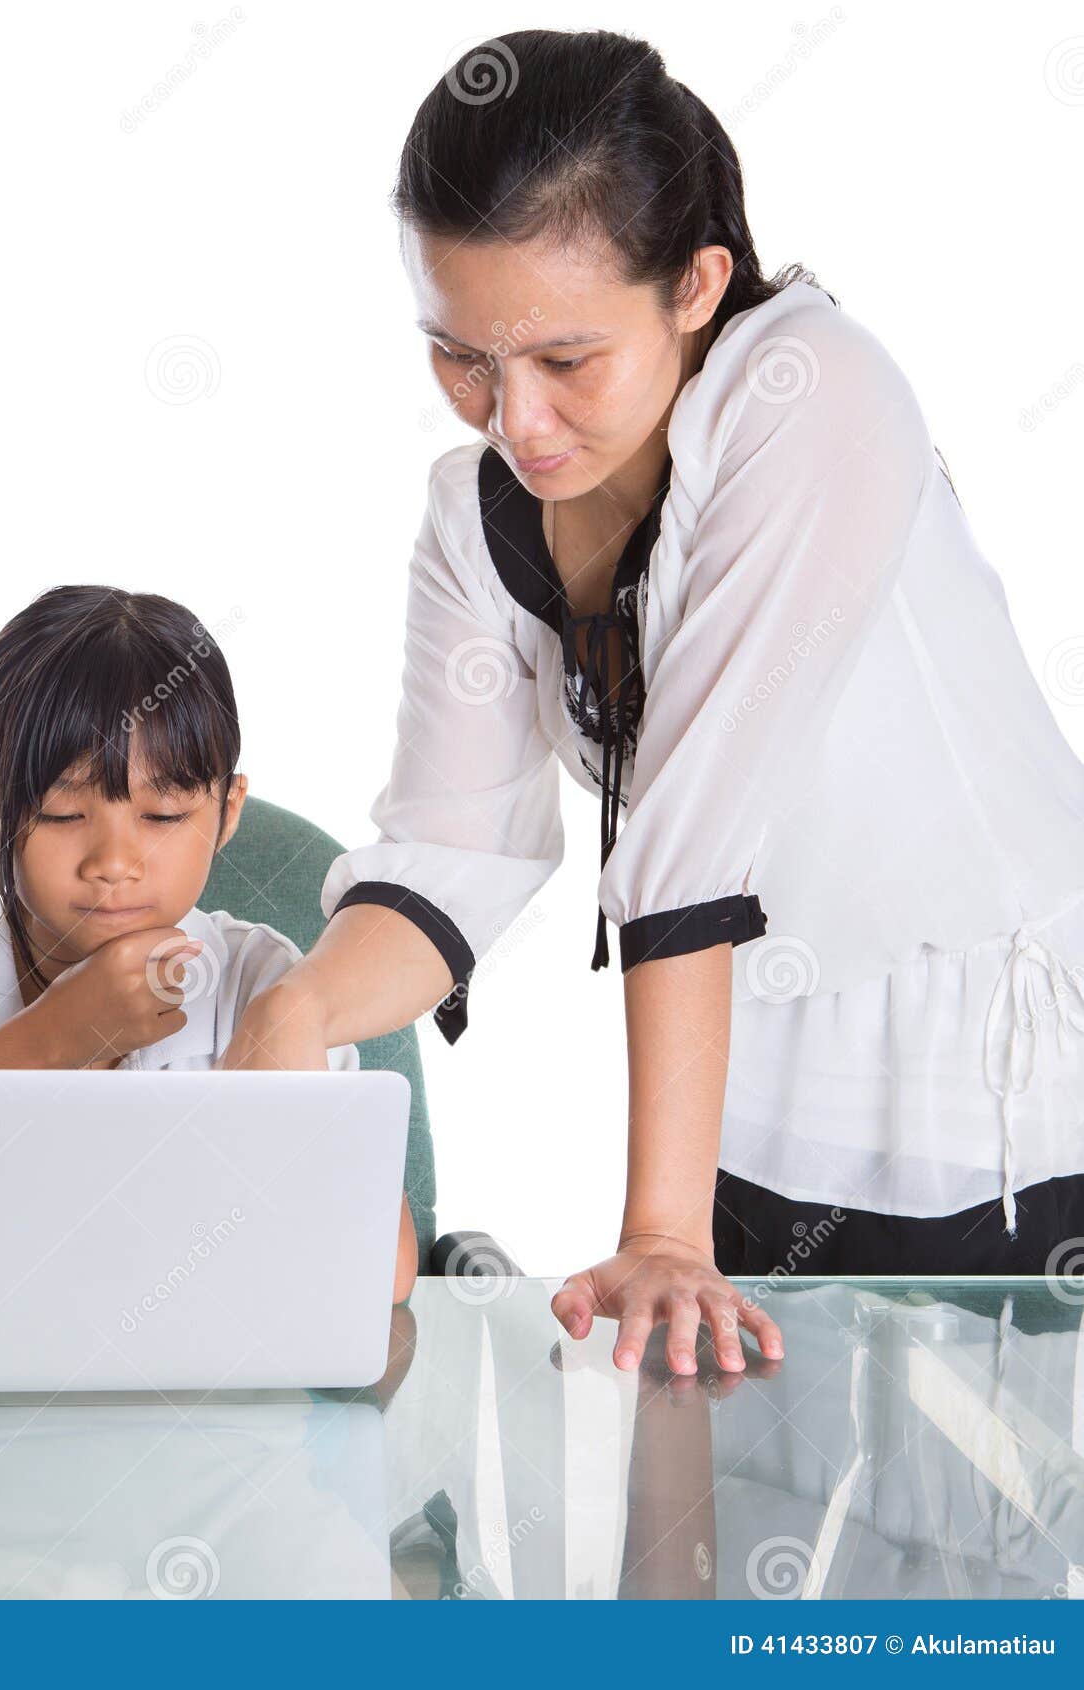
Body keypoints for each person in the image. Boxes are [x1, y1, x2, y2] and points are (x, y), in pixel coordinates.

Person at [219, 27, 1084, 1376]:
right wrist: (295, 1009)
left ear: (693, 285)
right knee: (757, 1539)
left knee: (980, 1558)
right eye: (460, 358)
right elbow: (450, 859)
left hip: (993, 1091)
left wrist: (658, 1229)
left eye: (564, 359)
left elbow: (690, 824)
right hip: (750, 1079)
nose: (514, 421)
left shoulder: (812, 393)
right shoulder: (472, 523)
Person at [0, 585, 420, 1311]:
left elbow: (386, 1273)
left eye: (162, 814)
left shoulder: (265, 981)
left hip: (212, 1410)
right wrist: (51, 1039)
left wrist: (282, 1048)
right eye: (63, 812)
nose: (114, 862)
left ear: (226, 813)